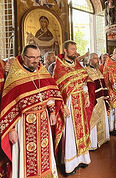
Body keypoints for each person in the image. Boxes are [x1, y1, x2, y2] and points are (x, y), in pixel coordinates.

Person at [0, 44, 64, 177]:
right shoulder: (14, 77)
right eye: (31, 57)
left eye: (38, 57)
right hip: (23, 124)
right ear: (23, 57)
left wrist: (52, 111)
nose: (36, 60)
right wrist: (11, 130)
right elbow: (8, 105)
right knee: (25, 157)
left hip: (43, 120)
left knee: (44, 154)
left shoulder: (42, 71)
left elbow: (49, 93)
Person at [53, 40, 91, 175]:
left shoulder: (77, 64)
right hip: (68, 104)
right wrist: (63, 107)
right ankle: (70, 164)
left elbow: (84, 82)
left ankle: (82, 159)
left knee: (82, 131)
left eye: (75, 49)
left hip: (80, 101)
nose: (75, 51)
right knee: (69, 134)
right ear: (65, 51)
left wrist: (86, 96)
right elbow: (56, 91)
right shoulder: (59, 67)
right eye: (72, 49)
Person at [86, 53, 110, 150]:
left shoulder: (98, 70)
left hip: (101, 99)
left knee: (102, 119)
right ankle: (93, 143)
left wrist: (105, 94)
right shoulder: (86, 71)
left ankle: (102, 139)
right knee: (94, 120)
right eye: (95, 58)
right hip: (94, 100)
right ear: (90, 60)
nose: (97, 60)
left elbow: (102, 83)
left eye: (97, 58)